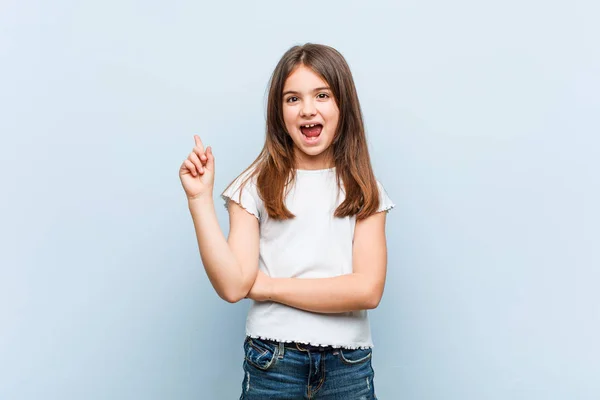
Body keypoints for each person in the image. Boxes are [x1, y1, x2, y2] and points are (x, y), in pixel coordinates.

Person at [179, 43, 394, 400]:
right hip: (273, 362)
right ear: (278, 112)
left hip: (349, 365)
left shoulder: (363, 187)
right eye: (292, 99)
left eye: (322, 95)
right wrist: (199, 200)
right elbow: (234, 286)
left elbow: (367, 290)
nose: (307, 109)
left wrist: (268, 288)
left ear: (343, 105)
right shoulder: (254, 185)